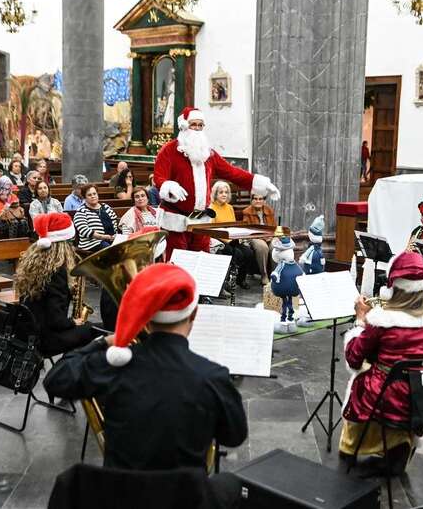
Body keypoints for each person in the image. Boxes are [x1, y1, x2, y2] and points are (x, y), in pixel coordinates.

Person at [43, 263, 247, 508]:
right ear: (193, 314)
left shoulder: (114, 366)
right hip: (185, 499)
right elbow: (234, 436)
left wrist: (103, 343)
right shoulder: (212, 376)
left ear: (146, 317)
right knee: (231, 484)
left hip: (120, 498)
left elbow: (55, 380)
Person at [339, 252, 423, 474]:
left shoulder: (381, 321)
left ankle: (352, 447)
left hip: (387, 399)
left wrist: (361, 321)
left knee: (361, 379)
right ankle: (400, 444)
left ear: (394, 288)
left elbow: (353, 358)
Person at [154, 106, 279, 258]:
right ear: (184, 126)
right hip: (176, 220)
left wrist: (260, 183)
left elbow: (233, 173)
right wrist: (168, 186)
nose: (197, 129)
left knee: (202, 260)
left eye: (201, 125)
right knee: (178, 262)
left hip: (200, 220)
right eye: (194, 124)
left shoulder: (208, 154)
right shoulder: (169, 150)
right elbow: (159, 177)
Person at [13, 212, 94, 356]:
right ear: (64, 244)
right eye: (71, 242)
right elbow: (56, 321)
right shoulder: (57, 272)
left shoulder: (34, 264)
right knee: (94, 331)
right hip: (45, 339)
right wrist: (73, 322)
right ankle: (70, 366)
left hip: (29, 333)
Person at [210, 181, 253, 288]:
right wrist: (226, 240)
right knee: (236, 253)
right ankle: (227, 282)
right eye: (221, 192)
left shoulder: (229, 207)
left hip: (231, 238)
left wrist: (239, 237)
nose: (224, 194)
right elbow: (211, 231)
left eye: (226, 192)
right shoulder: (211, 208)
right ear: (215, 194)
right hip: (219, 239)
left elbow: (233, 226)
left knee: (248, 252)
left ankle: (240, 280)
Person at [241, 193, 277, 285]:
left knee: (275, 246)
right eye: (255, 199)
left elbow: (274, 227)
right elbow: (248, 230)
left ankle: (274, 274)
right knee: (262, 247)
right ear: (252, 200)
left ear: (264, 201)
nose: (258, 201)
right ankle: (264, 275)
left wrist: (271, 236)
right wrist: (263, 237)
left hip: (269, 236)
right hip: (254, 236)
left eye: (260, 199)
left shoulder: (269, 210)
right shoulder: (246, 212)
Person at [73, 184, 119, 252]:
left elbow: (115, 222)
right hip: (92, 243)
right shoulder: (81, 211)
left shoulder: (106, 207)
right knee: (110, 249)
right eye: (89, 195)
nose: (93, 196)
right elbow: (84, 230)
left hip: (112, 239)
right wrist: (103, 237)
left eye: (94, 194)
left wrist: (115, 236)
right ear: (85, 197)